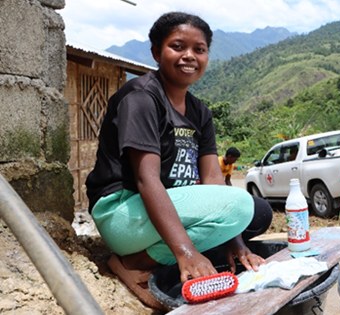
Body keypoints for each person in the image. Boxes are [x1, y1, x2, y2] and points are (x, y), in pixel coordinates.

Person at [85, 12, 272, 309]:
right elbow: (147, 180)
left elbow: (213, 181)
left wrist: (236, 244)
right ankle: (133, 263)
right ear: (156, 52)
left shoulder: (200, 112)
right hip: (123, 211)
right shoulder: (142, 97)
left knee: (259, 215)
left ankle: (169, 255)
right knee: (242, 206)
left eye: (199, 49)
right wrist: (185, 251)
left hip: (162, 210)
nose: (189, 56)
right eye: (177, 46)